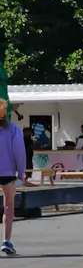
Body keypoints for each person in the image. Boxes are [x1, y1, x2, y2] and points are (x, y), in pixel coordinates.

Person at [0, 99, 27, 256]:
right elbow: (19, 152)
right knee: (8, 206)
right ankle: (6, 241)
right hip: (7, 172)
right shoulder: (12, 129)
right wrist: (21, 172)